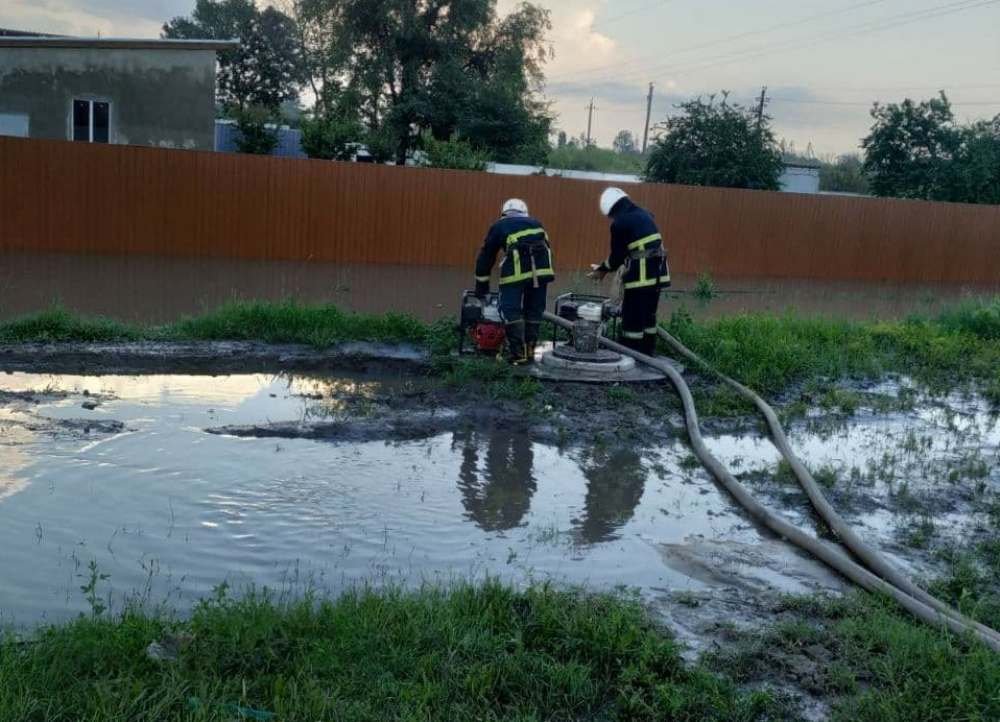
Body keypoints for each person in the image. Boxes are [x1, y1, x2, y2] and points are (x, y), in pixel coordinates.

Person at [588, 187, 670, 356]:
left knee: (632, 320)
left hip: (640, 278)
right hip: (658, 275)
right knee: (648, 318)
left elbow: (617, 257)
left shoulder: (619, 224)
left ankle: (630, 357)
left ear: (611, 209)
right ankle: (647, 354)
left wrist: (601, 269)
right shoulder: (646, 214)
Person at [474, 198, 554, 364]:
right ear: (525, 213)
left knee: (509, 308)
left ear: (504, 213)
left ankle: (517, 353)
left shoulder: (499, 226)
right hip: (542, 271)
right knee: (534, 309)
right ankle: (529, 351)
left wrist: (482, 287)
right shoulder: (536, 223)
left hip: (516, 272)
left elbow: (486, 257)